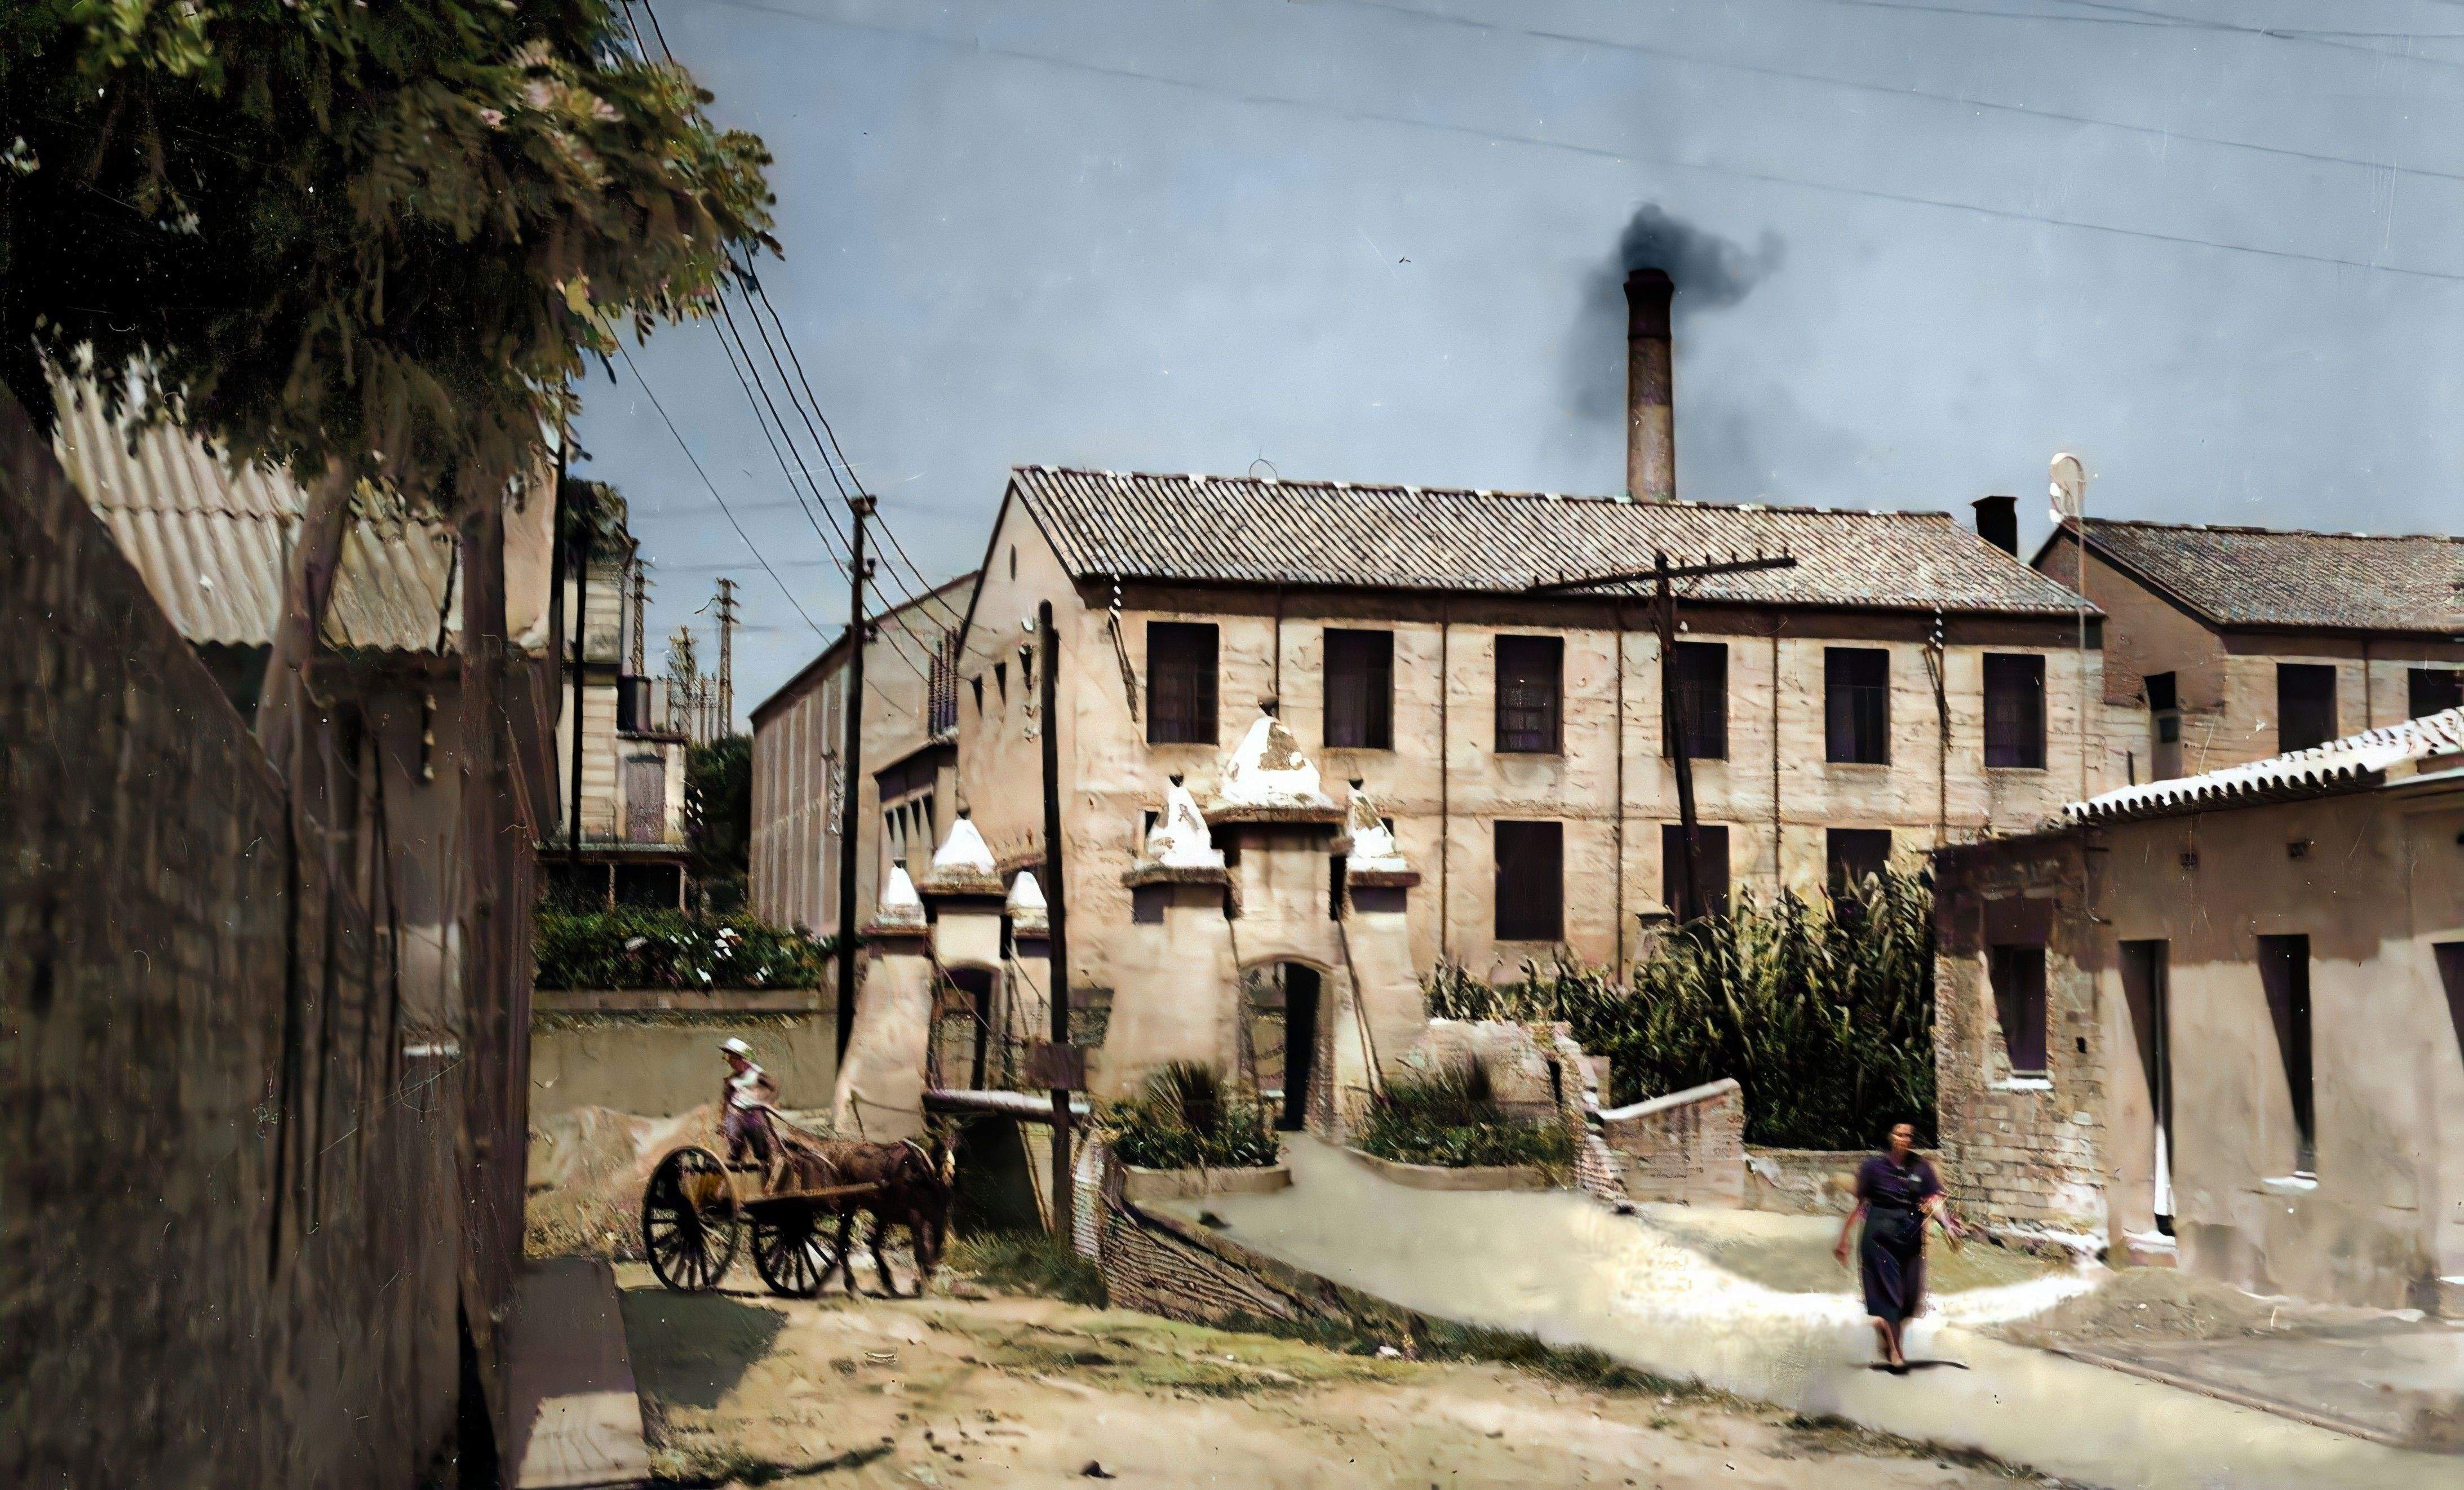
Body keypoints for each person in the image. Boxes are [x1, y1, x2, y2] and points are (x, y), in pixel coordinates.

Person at [1833, 1120, 1957, 1371]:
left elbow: (1934, 1200)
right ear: (1891, 1136)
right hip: (1879, 1239)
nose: (1905, 1139)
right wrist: (1844, 1239)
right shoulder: (1874, 1167)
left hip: (1910, 1239)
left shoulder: (1922, 1167)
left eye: (1909, 1135)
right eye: (1900, 1134)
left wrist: (1947, 1224)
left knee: (1911, 1300)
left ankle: (1885, 1329)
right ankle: (1897, 1352)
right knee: (1891, 1296)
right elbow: (1861, 1204)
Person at [719, 1037, 779, 1172]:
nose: (729, 1062)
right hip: (737, 1118)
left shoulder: (756, 1074)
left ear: (741, 1058)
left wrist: (766, 1102)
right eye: (728, 1058)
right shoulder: (732, 1079)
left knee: (763, 1154)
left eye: (732, 1058)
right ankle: (736, 1166)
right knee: (735, 1153)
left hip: (754, 1117)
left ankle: (767, 1176)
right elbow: (726, 1100)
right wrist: (722, 1122)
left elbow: (773, 1087)